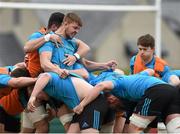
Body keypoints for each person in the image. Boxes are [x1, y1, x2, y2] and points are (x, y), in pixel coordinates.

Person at [74, 69, 180, 133]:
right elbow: (150, 71)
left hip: (156, 91)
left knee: (133, 130)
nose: (110, 99)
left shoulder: (117, 81)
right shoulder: (135, 78)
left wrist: (82, 105)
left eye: (108, 95)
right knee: (175, 128)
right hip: (172, 91)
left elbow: (101, 85)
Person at [0, 68, 37, 133]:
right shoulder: (3, 77)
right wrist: (39, 79)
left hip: (14, 113)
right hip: (2, 108)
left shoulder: (23, 89)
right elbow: (16, 82)